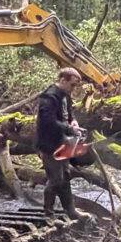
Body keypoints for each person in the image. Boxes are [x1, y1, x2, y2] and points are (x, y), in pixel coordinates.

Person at [36, 67, 89, 220]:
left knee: (65, 176)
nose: (73, 89)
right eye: (72, 85)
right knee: (55, 179)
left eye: (76, 86)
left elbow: (69, 114)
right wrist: (69, 129)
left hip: (63, 143)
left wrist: (74, 122)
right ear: (62, 80)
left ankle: (71, 211)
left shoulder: (65, 96)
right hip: (49, 145)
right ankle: (48, 215)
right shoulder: (49, 97)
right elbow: (48, 121)